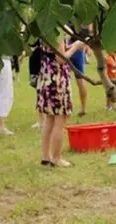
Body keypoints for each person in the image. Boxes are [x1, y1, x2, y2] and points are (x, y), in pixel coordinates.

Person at [37, 38, 85, 167]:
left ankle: (46, 156)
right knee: (60, 120)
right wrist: (75, 46)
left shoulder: (45, 28)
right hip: (57, 80)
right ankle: (56, 158)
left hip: (46, 76)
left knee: (49, 119)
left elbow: (56, 51)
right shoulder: (57, 32)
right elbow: (61, 58)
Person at [67, 27, 90, 117]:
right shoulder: (81, 19)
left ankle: (67, 108)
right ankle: (83, 109)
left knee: (65, 80)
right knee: (80, 81)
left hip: (68, 47)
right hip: (79, 48)